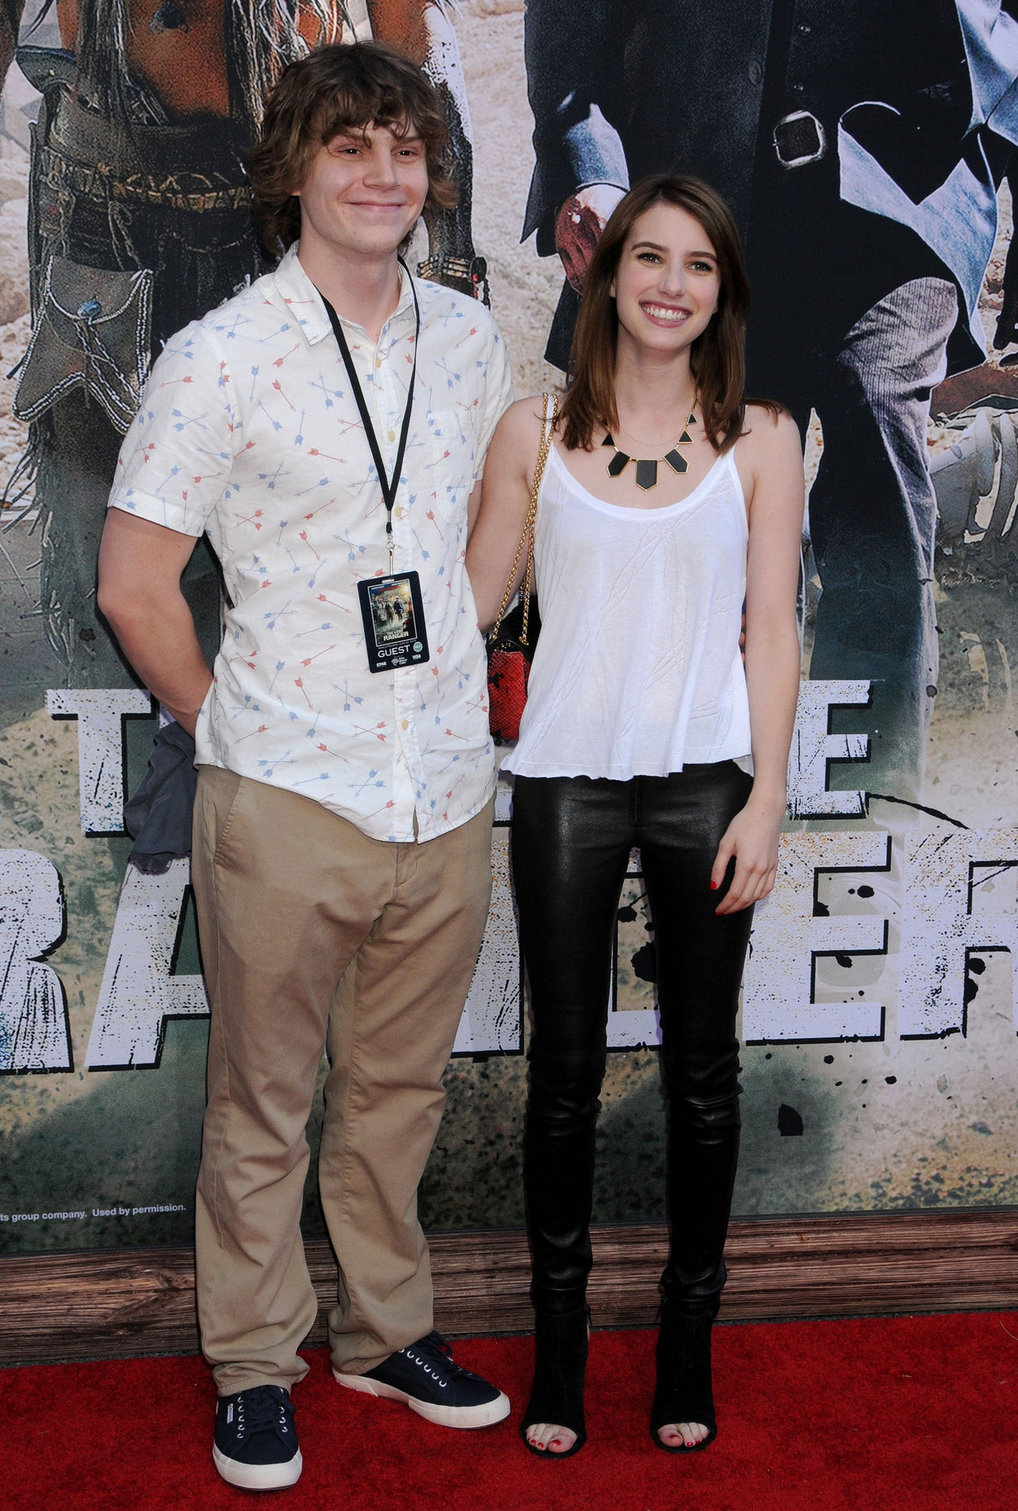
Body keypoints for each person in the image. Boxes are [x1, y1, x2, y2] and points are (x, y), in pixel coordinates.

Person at [96, 40, 513, 1491]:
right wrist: (230, 728)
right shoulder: (219, 357)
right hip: (285, 784)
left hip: (446, 785)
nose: (385, 173)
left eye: (405, 148)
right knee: (264, 1103)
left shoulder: (471, 339)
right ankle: (255, 1360)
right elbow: (135, 584)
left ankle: (386, 1328)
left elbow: (492, 508)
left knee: (398, 1091)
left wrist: (458, 643)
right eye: (353, 147)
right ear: (295, 171)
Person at [467, 175, 803, 1455]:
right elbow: (476, 601)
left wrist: (768, 795)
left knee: (702, 1076)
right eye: (647, 256)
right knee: (563, 1072)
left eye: (698, 264)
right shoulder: (533, 427)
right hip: (564, 775)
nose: (670, 282)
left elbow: (769, 628)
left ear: (722, 290)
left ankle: (683, 1347)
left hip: (706, 778)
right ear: (604, 274)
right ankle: (560, 1352)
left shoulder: (762, 435)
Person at [521, 0, 1018, 801]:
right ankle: (704, 818)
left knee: (878, 432)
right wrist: (592, 169)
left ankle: (863, 813)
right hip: (693, 169)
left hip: (903, 180)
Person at [1, 0, 486, 685]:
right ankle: (134, 782)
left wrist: (453, 267)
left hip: (287, 227)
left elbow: (418, 29)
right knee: (112, 616)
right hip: (104, 239)